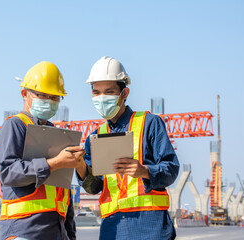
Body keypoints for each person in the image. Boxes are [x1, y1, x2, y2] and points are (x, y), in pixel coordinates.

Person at [75, 56, 180, 240]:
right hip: (113, 229)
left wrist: (144, 171)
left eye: (109, 92)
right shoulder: (95, 136)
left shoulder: (150, 123)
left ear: (124, 93)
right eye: (96, 92)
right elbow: (94, 187)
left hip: (151, 227)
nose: (102, 98)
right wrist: (79, 166)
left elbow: (171, 170)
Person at [0, 61, 85, 240]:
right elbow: (8, 173)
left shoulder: (57, 134)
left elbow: (63, 196)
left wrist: (70, 235)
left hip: (56, 232)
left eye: (54, 97)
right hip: (24, 231)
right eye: (43, 95)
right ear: (24, 93)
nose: (49, 102)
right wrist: (54, 163)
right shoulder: (15, 126)